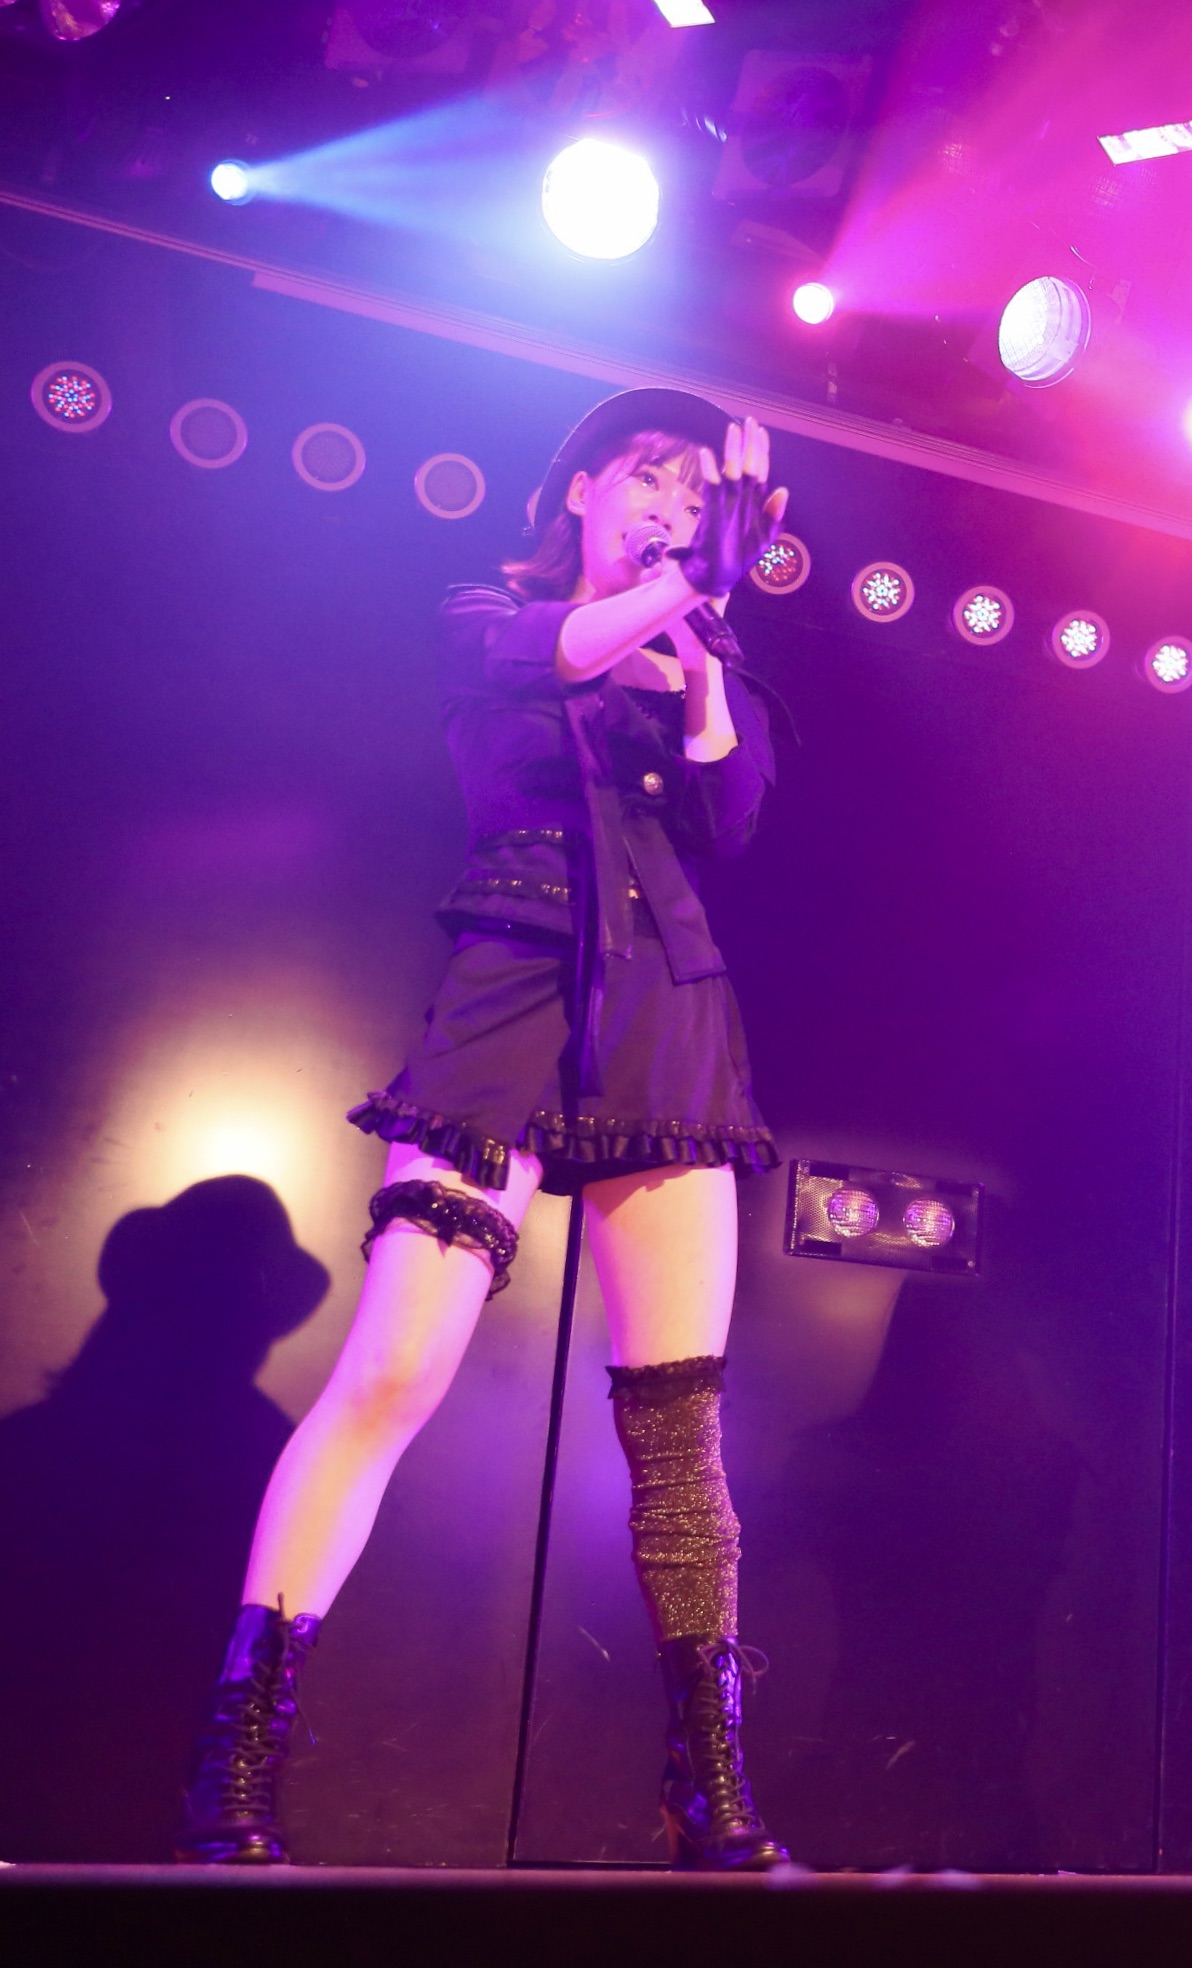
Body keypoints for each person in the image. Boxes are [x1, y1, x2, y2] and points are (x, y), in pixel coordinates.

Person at [174, 389, 796, 1870]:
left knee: (677, 1432)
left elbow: (733, 815)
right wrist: (673, 592)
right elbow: (553, 655)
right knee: (392, 1374)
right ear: (580, 489)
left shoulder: (702, 656)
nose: (669, 505)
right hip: (510, 988)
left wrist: (705, 652)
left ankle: (707, 1779)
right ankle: (240, 1750)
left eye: (694, 491)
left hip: (666, 1014)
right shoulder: (492, 616)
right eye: (647, 476)